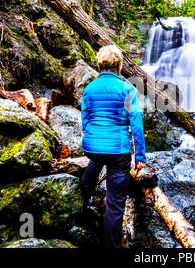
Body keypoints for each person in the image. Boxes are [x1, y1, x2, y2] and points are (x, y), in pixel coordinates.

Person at [80, 45, 147, 248]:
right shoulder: (127, 89)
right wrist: (140, 157)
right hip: (118, 152)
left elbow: (85, 120)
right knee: (115, 205)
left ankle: (84, 195)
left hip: (92, 146)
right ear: (119, 66)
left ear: (99, 66)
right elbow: (136, 123)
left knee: (97, 159)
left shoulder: (89, 89)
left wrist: (95, 137)